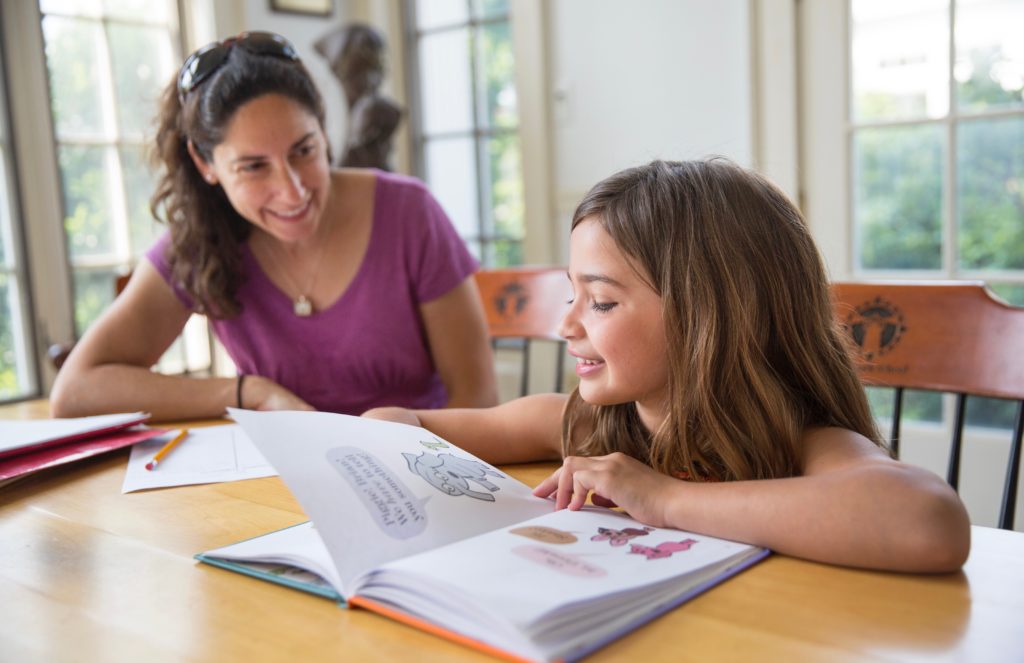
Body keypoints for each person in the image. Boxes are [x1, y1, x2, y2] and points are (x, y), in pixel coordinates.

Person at [364, 158, 972, 573]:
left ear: (709, 316)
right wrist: (387, 421)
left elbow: (929, 521)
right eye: (571, 294)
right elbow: (410, 426)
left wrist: (665, 499)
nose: (565, 325)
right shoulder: (584, 426)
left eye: (600, 301)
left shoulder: (802, 444)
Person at [50, 31, 497, 421]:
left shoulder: (409, 212)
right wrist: (248, 392)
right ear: (205, 164)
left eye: (303, 150)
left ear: (324, 132)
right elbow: (75, 392)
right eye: (253, 167)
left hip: (423, 479)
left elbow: (477, 397)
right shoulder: (201, 239)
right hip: (279, 491)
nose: (293, 190)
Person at [314, 23, 402, 170]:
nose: (371, 82)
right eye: (357, 75)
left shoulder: (375, 111)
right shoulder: (325, 116)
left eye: (376, 70)